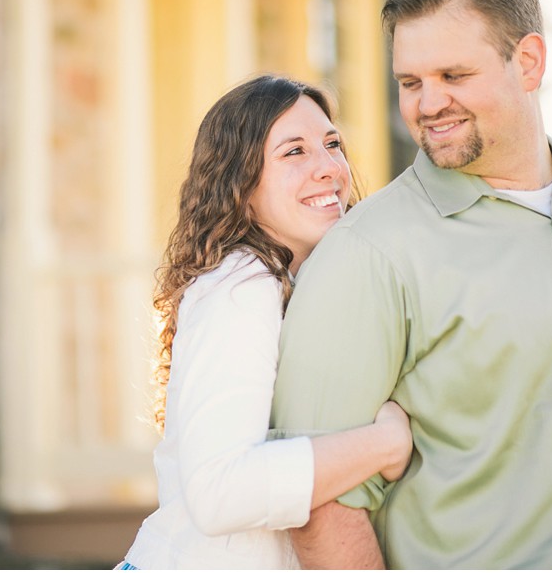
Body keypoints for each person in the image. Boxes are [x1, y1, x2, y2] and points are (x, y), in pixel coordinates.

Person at [270, 0, 552, 569]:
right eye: (410, 82)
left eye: (454, 76)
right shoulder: (365, 254)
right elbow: (319, 501)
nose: (427, 103)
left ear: (528, 61)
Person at [119, 75, 414, 569]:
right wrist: (383, 445)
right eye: (294, 152)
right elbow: (220, 492)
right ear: (242, 185)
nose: (329, 168)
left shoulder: (301, 283)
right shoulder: (240, 283)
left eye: (332, 143)